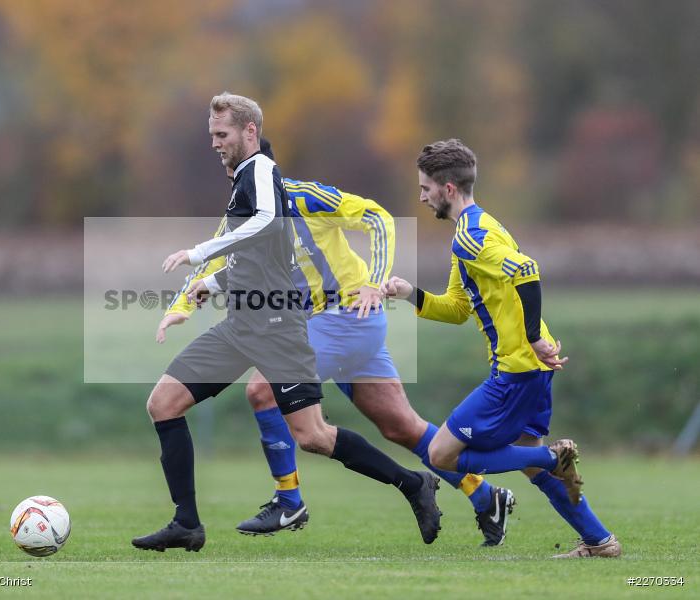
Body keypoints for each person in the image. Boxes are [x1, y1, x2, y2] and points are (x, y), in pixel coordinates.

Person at [158, 138, 515, 546]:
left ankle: (288, 499)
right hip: (327, 326)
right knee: (403, 427)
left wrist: (374, 282)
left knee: (263, 391)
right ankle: (487, 496)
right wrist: (182, 303)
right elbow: (213, 261)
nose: (235, 181)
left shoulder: (303, 197)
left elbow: (378, 218)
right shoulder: (242, 216)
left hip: (348, 317)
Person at [130, 93, 441, 553]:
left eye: (222, 134)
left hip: (278, 326)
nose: (215, 143)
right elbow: (258, 253)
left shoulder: (259, 171)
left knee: (313, 436)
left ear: (249, 132)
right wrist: (199, 293)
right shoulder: (242, 181)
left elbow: (266, 226)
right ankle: (186, 524)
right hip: (242, 326)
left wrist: (197, 254)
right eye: (211, 135)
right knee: (163, 403)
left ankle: (412, 483)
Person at [382, 138, 620, 558]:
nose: (421, 196)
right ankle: (600, 541)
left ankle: (555, 458)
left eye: (425, 188)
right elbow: (457, 308)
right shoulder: (478, 228)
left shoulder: (471, 237)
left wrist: (531, 336)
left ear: (448, 189)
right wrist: (409, 293)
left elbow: (527, 269)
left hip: (516, 370)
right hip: (530, 366)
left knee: (441, 454)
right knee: (527, 461)